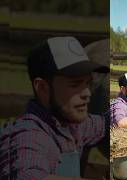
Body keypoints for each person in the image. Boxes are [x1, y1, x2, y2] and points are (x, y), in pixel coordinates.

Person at [0, 37, 109, 179]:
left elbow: (106, 123)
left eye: (88, 83)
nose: (87, 93)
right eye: (75, 85)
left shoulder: (75, 125)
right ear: (43, 88)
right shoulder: (30, 135)